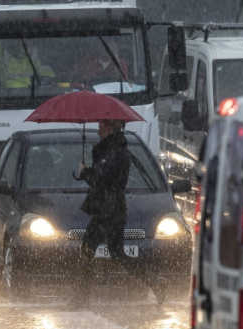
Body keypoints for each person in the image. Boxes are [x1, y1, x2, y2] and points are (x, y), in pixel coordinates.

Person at [67, 119, 168, 310]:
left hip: (109, 211)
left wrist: (85, 171)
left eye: (100, 127)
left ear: (109, 127)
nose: (97, 131)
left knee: (90, 250)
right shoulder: (112, 149)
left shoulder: (112, 151)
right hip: (112, 209)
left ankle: (81, 298)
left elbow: (99, 180)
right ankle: (156, 283)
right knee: (115, 254)